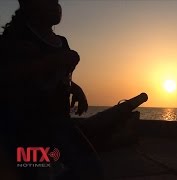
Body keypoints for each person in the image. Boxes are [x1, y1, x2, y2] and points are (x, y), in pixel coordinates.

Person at [0, 0, 104, 179]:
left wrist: (75, 89)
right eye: (49, 1)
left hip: (60, 123)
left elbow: (58, 78)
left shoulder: (61, 42)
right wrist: (52, 62)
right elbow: (9, 75)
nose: (56, 6)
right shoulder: (14, 41)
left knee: (91, 169)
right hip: (26, 128)